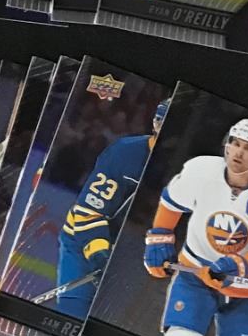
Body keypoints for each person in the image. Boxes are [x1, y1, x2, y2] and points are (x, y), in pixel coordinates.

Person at [144, 118, 248, 336]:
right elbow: (172, 201)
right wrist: (159, 238)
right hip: (195, 274)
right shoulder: (200, 170)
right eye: (235, 143)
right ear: (226, 144)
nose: (239, 152)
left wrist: (236, 265)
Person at [52, 98, 168, 319]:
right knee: (72, 315)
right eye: (163, 122)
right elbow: (88, 210)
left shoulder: (183, 166)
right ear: (155, 122)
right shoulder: (125, 152)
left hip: (133, 255)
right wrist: (100, 255)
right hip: (85, 242)